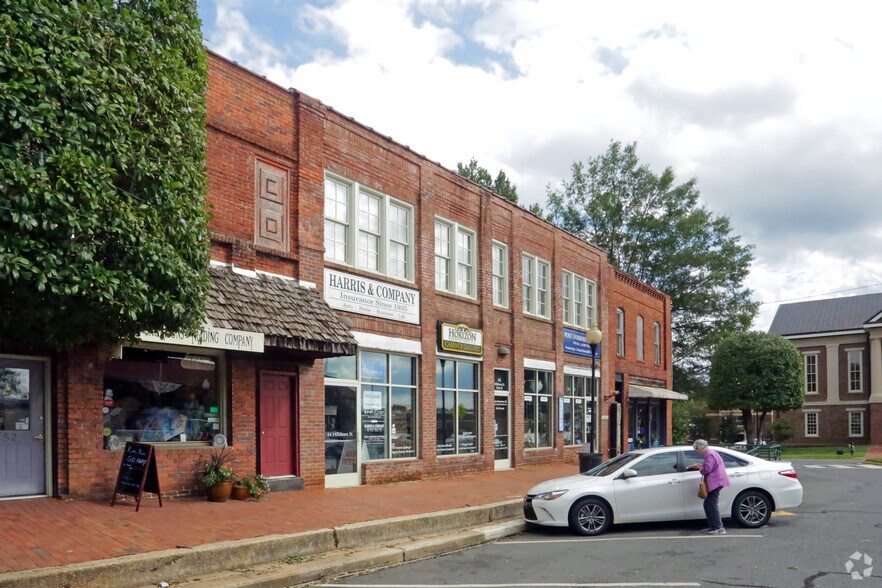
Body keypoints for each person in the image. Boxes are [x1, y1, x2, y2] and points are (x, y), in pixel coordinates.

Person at [687, 439, 730, 535]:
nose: (696, 452)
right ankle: (712, 527)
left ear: (700, 448)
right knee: (708, 505)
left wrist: (698, 467)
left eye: (696, 449)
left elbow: (707, 469)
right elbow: (709, 466)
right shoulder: (711, 453)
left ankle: (719, 528)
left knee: (712, 505)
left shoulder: (710, 454)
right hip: (716, 482)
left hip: (715, 482)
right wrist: (700, 465)